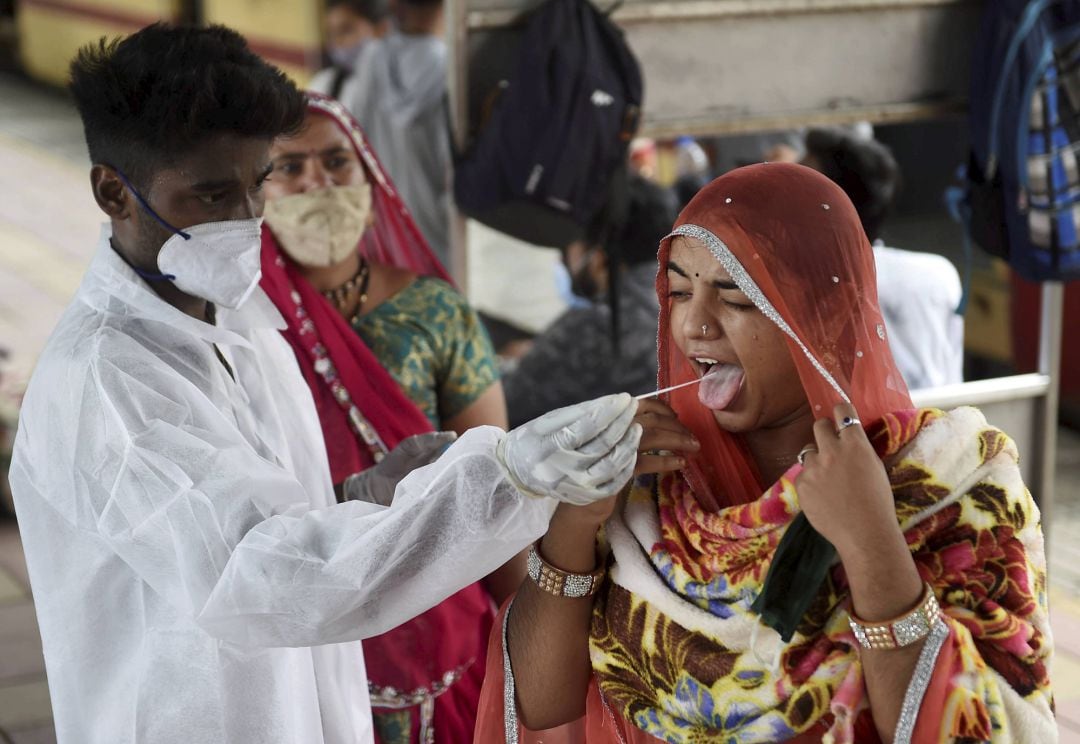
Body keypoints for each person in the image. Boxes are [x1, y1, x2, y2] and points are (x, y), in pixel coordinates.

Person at [7, 24, 643, 744]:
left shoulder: (241, 317)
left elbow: (242, 511)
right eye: (211, 196)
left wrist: (358, 497)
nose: (246, 223)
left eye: (254, 187)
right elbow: (263, 578)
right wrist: (506, 480)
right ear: (113, 192)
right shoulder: (106, 381)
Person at [475, 163, 1054, 743]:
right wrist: (576, 522)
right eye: (678, 292)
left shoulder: (948, 485)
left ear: (824, 315)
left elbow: (982, 731)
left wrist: (872, 543)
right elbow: (541, 705)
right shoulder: (651, 481)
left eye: (735, 297)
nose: (694, 324)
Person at [259, 92, 519, 743]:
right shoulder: (246, 326)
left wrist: (527, 626)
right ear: (253, 190)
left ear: (370, 176)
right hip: (300, 611)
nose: (318, 180)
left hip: (436, 614)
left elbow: (494, 479)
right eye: (290, 167)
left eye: (337, 160)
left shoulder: (433, 312)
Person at [502, 175, 678, 428]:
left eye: (572, 243)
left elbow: (504, 407)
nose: (565, 257)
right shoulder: (685, 302)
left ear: (599, 259)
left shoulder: (598, 325)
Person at [801, 127, 964, 390]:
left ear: (827, 209)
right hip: (947, 425)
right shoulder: (939, 274)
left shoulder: (809, 288)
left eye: (799, 190)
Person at [323, 0, 453, 268]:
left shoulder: (372, 59)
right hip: (438, 231)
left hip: (382, 225)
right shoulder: (449, 66)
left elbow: (353, 140)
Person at [309, 0, 392, 102]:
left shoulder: (403, 83)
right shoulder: (323, 85)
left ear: (381, 29)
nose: (337, 41)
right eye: (331, 34)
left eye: (346, 30)